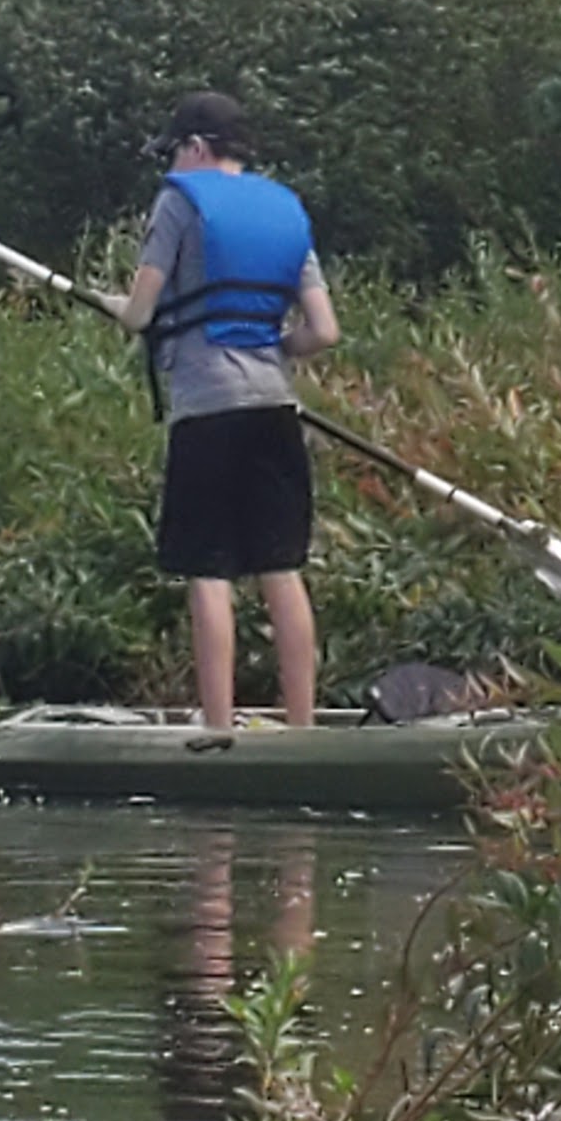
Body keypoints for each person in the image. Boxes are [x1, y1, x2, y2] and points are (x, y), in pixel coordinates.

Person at [105, 91, 340, 731]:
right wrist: (272, 353)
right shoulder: (286, 209)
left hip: (206, 411)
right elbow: (323, 331)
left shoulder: (179, 201)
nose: (172, 167)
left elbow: (140, 313)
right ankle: (303, 730)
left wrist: (115, 305)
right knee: (281, 567)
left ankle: (219, 730)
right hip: (275, 409)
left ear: (198, 148)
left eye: (175, 153)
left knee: (208, 569)